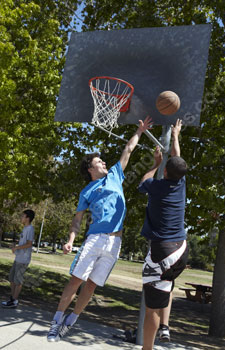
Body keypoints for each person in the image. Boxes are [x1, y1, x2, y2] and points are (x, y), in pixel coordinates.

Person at [47, 116, 152, 342]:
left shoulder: (115, 175)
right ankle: (56, 321)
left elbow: (129, 149)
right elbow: (77, 220)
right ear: (89, 168)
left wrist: (140, 130)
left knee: (93, 285)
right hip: (94, 238)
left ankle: (71, 321)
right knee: (76, 280)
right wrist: (70, 239)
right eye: (99, 162)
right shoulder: (87, 191)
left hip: (114, 243)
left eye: (103, 161)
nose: (103, 163)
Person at [138, 119, 189, 350]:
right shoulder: (180, 183)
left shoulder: (156, 186)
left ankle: (147, 347)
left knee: (151, 309)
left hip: (163, 252)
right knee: (165, 283)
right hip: (181, 250)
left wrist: (155, 164)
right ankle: (166, 327)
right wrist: (176, 136)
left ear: (165, 170)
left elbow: (143, 181)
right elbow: (177, 160)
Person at [1, 209, 35, 309]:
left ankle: (14, 301)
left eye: (23, 216)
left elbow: (29, 244)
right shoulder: (25, 228)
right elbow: (24, 243)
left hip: (23, 259)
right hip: (18, 258)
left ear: (27, 218)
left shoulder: (30, 229)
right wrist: (15, 245)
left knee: (18, 280)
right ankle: (12, 299)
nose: (21, 218)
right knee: (11, 278)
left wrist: (17, 248)